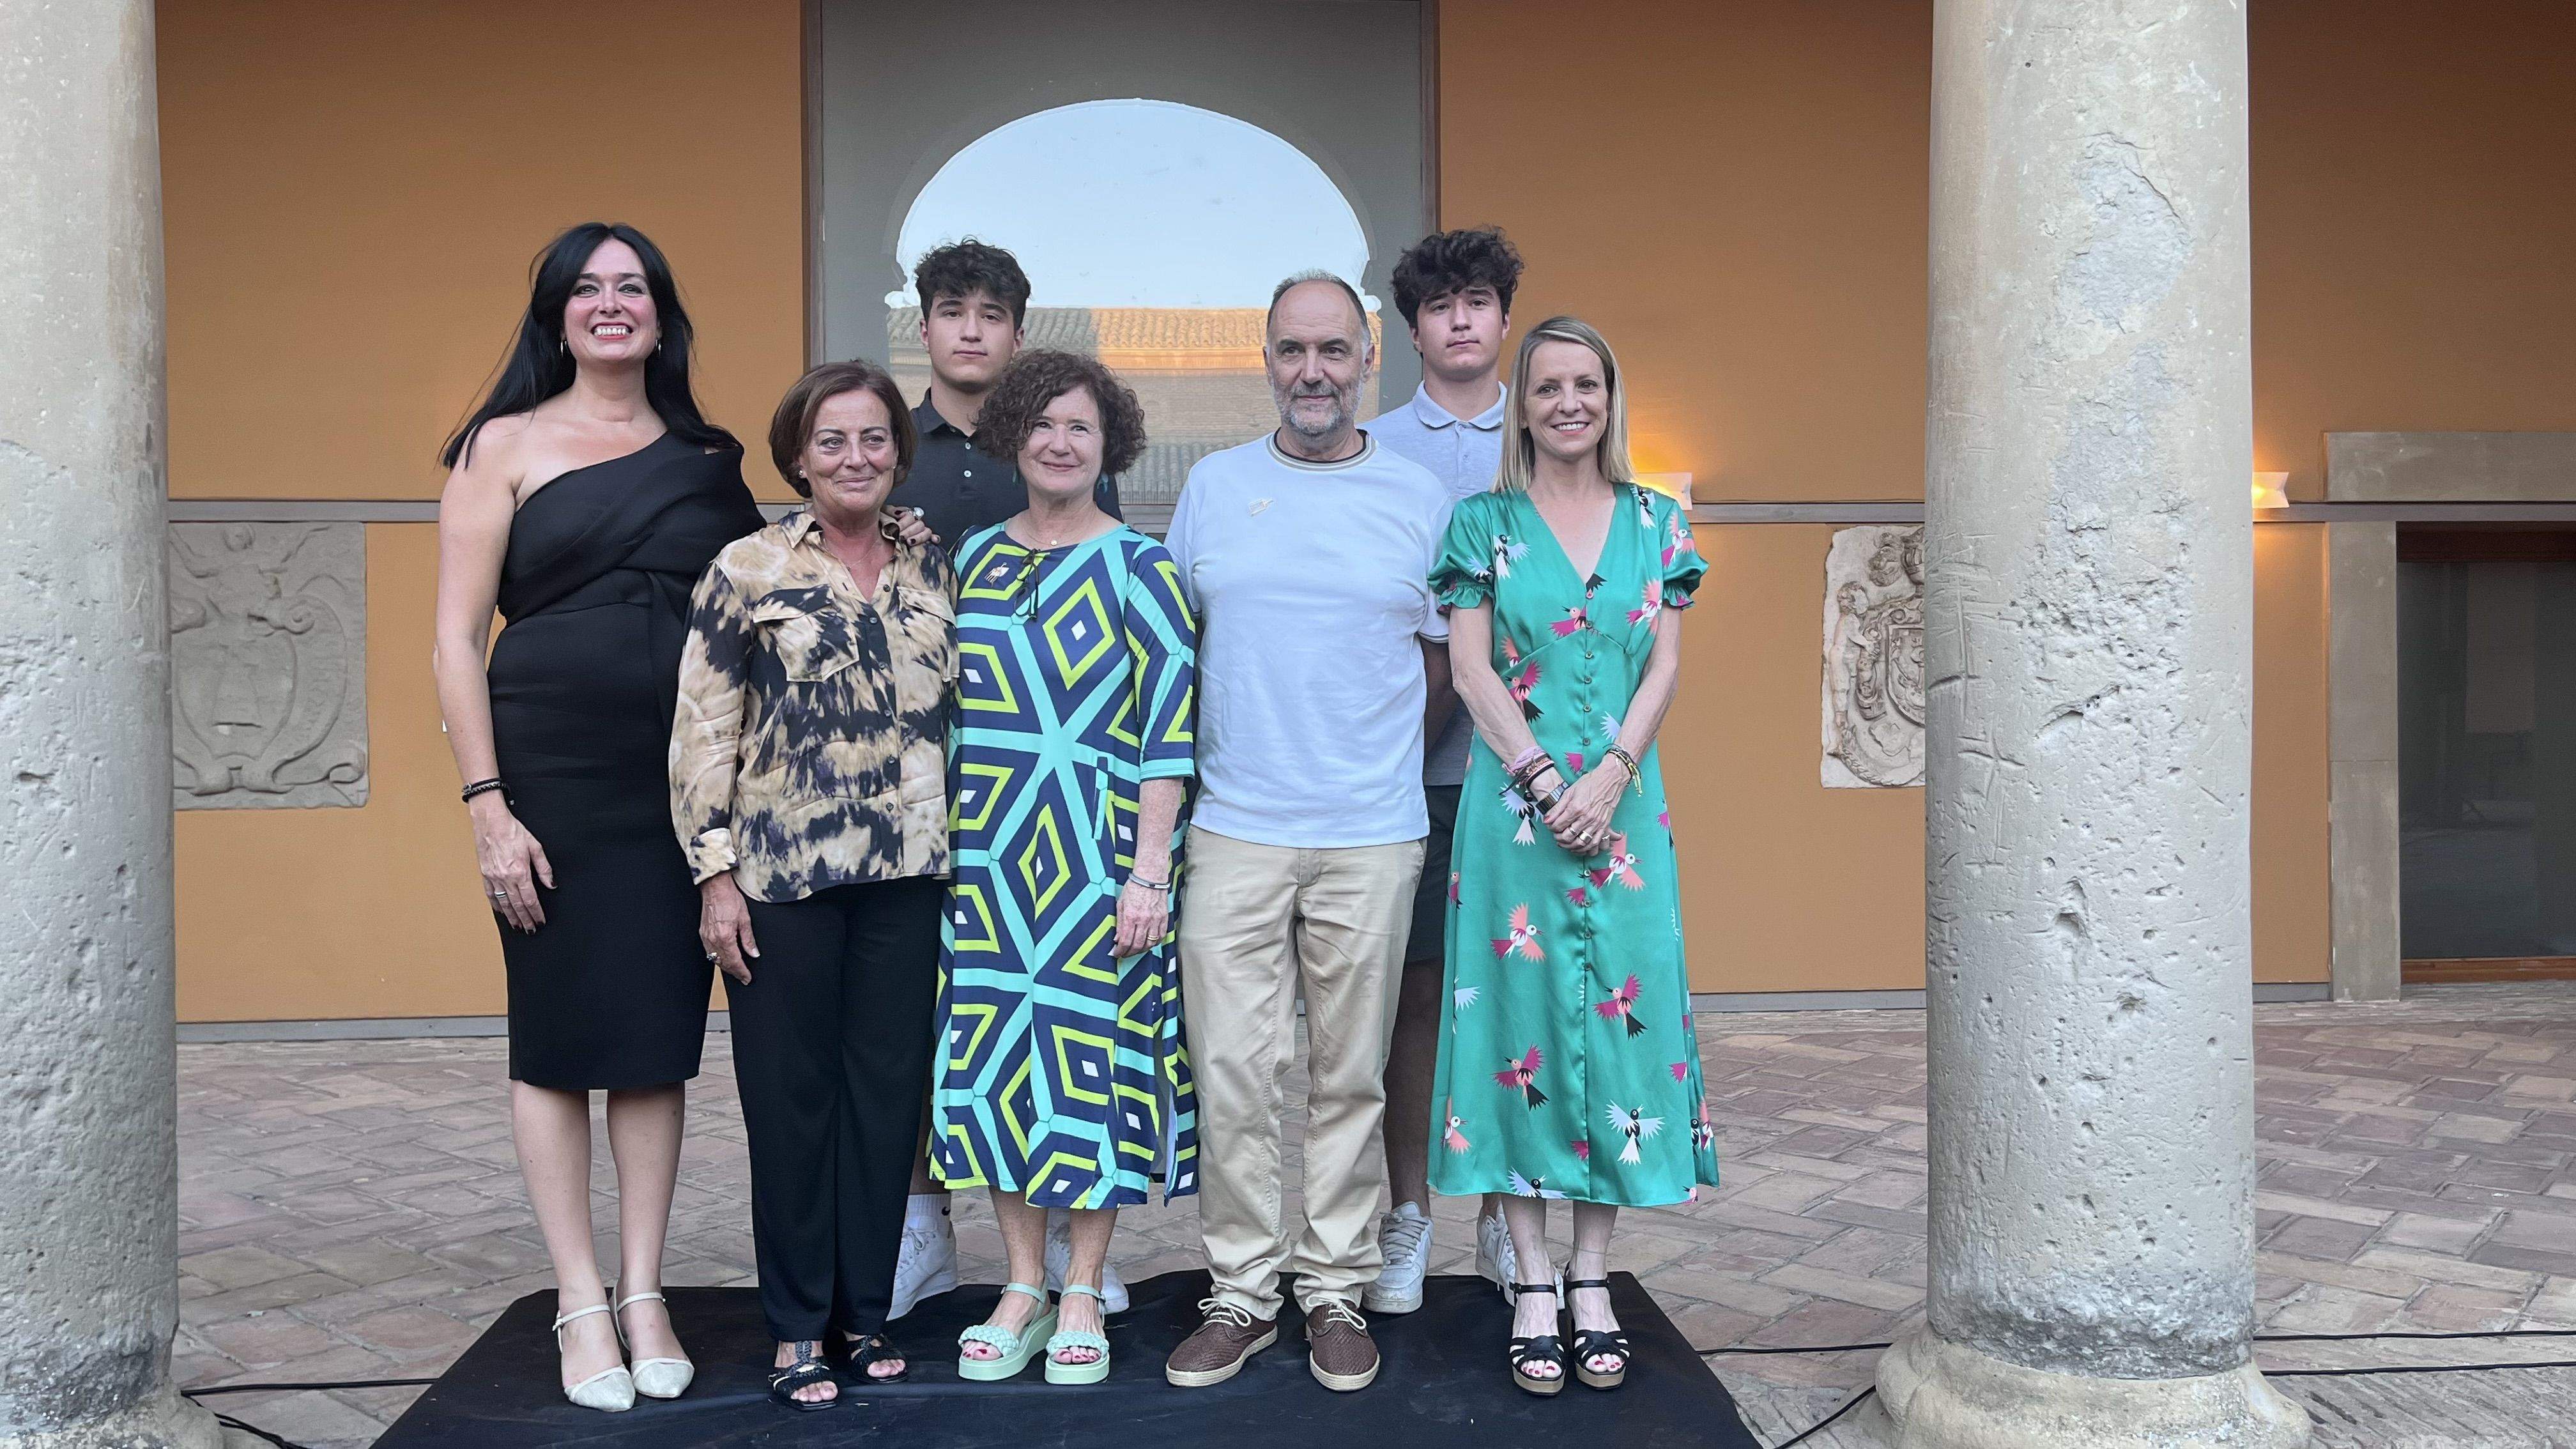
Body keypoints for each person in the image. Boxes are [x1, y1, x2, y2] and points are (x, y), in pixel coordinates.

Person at [432, 222, 760, 1413]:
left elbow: (752, 630)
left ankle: (644, 1290)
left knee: (655, 1041)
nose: (611, 305)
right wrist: (488, 807)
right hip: (551, 777)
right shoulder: (500, 446)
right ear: (557, 315)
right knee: (561, 1035)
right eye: (587, 289)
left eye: (632, 288)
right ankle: (578, 1298)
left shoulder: (709, 458)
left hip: (678, 784)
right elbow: (454, 644)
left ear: (662, 316)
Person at [1162, 272, 1453, 1393]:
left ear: (1367, 357)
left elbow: (1443, 652)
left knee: (1350, 1072)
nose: (1314, 372)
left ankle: (1333, 1286)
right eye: (1293, 351)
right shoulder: (1215, 487)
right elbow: (1185, 645)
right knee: (1232, 1070)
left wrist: (1378, 757)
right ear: (1267, 359)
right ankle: (1241, 1289)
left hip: (1374, 831)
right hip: (1234, 826)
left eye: (1334, 350)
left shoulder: (1420, 497)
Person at [1428, 317, 1719, 1396]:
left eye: (1584, 384)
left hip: (1628, 820)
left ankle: (1593, 1272)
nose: (1567, 402)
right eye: (1546, 385)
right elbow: (1469, 669)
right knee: (1518, 1031)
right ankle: (1533, 1278)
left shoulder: (1658, 522)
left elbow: (1664, 667)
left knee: (1616, 1027)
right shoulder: (1482, 525)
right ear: (1524, 403)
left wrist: (1612, 777)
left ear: (1610, 397)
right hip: (1515, 825)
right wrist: (1551, 783)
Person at [669, 360, 956, 1410]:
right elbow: (703, 735)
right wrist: (715, 876)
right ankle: (795, 1327)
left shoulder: (934, 567)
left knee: (886, 1103)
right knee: (793, 1105)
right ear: (797, 454)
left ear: (899, 452)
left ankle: (864, 1313)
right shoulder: (746, 569)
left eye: (875, 438)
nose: (855, 457)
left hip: (909, 876)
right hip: (783, 881)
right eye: (832, 440)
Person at [928, 350, 1199, 1384]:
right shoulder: (974, 559)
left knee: (1095, 1075)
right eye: (1041, 424)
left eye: (1080, 426)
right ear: (1012, 436)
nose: (1058, 441)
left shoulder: (1144, 568)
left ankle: (1084, 1282)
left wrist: (1147, 872)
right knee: (1000, 1071)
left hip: (1096, 863)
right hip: (989, 860)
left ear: (1109, 443)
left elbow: (1168, 738)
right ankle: (1021, 1282)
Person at [885, 240, 1130, 1322]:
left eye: (993, 312)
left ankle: (1079, 1254)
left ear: (1018, 334)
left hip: (1066, 813)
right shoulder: (890, 451)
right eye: (952, 310)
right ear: (925, 326)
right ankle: (925, 1228)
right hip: (937, 792)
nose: (972, 328)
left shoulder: (1081, 467)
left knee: (1066, 1021)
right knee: (944, 1022)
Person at [1362, 226, 1526, 1315]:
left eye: (1479, 301)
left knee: (1519, 1000)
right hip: (1409, 773)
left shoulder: (1562, 422)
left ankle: (1510, 1220)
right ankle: (1410, 1216)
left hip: (1527, 773)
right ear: (1411, 328)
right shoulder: (1371, 448)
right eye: (1440, 305)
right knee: (1412, 1002)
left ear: (1504, 316)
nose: (1461, 320)